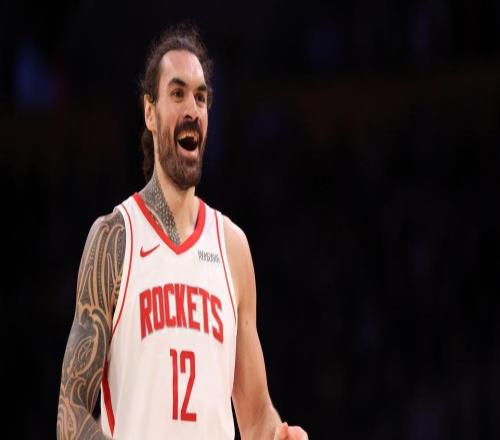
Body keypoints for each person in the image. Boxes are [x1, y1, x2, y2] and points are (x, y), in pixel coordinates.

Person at [56, 22, 308, 440]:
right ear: (149, 113)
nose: (192, 108)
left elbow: (256, 417)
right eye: (177, 94)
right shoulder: (115, 238)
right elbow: (72, 410)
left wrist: (277, 435)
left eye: (201, 97)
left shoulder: (232, 247)